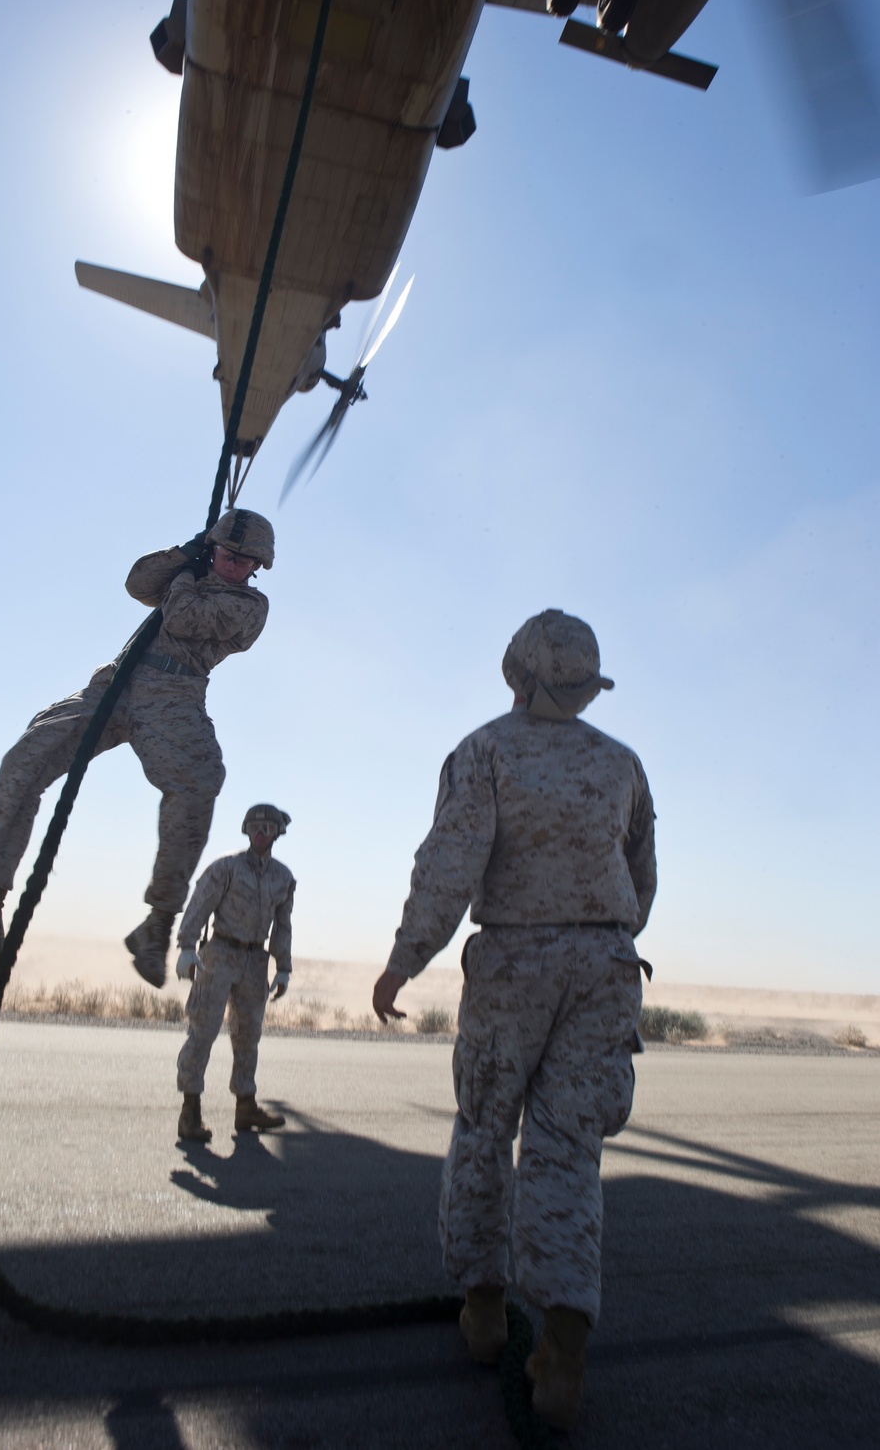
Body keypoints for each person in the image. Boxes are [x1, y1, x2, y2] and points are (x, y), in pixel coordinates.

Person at [372, 609, 656, 1432]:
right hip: (604, 967)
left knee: (485, 1129)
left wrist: (406, 956)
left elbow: (451, 863)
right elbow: (642, 874)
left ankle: (487, 1313)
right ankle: (562, 1350)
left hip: (512, 966)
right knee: (570, 1151)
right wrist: (603, 933)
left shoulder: (485, 750)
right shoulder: (623, 764)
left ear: (516, 672)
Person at [0, 509, 275, 990]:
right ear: (214, 548)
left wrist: (190, 572)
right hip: (114, 681)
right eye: (227, 553)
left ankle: (158, 925)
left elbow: (184, 616)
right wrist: (183, 554)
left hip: (175, 697)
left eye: (244, 559)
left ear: (258, 566)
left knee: (198, 785)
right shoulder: (186, 571)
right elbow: (138, 582)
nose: (234, 564)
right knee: (23, 760)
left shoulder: (250, 606)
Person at [175, 803, 295, 1140]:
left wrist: (283, 967)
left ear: (277, 834)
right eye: (255, 828)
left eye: (267, 829)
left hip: (255, 961)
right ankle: (190, 1111)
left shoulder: (283, 878)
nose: (261, 834)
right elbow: (200, 904)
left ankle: (246, 1106)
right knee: (203, 1030)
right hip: (219, 954)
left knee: (248, 1037)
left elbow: (283, 926)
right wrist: (186, 946)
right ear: (246, 831)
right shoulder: (225, 868)